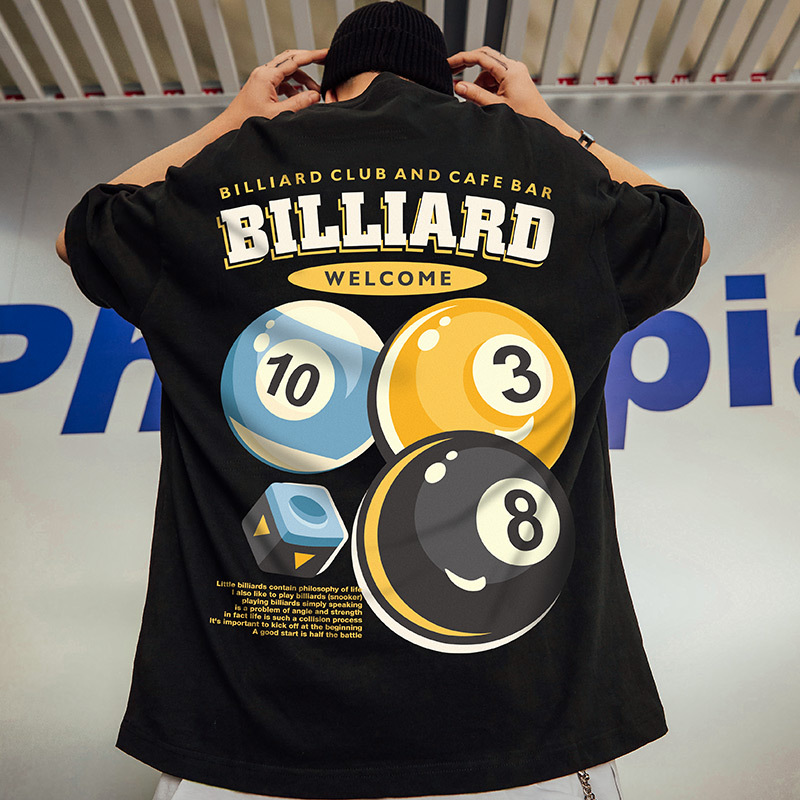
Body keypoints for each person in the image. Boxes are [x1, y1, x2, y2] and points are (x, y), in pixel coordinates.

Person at [56, 3, 709, 799]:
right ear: (448, 85)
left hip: (255, 733)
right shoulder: (545, 169)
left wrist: (230, 123)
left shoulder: (232, 171)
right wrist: (548, 123)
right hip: (517, 726)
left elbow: (82, 232)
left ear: (328, 87)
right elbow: (687, 234)